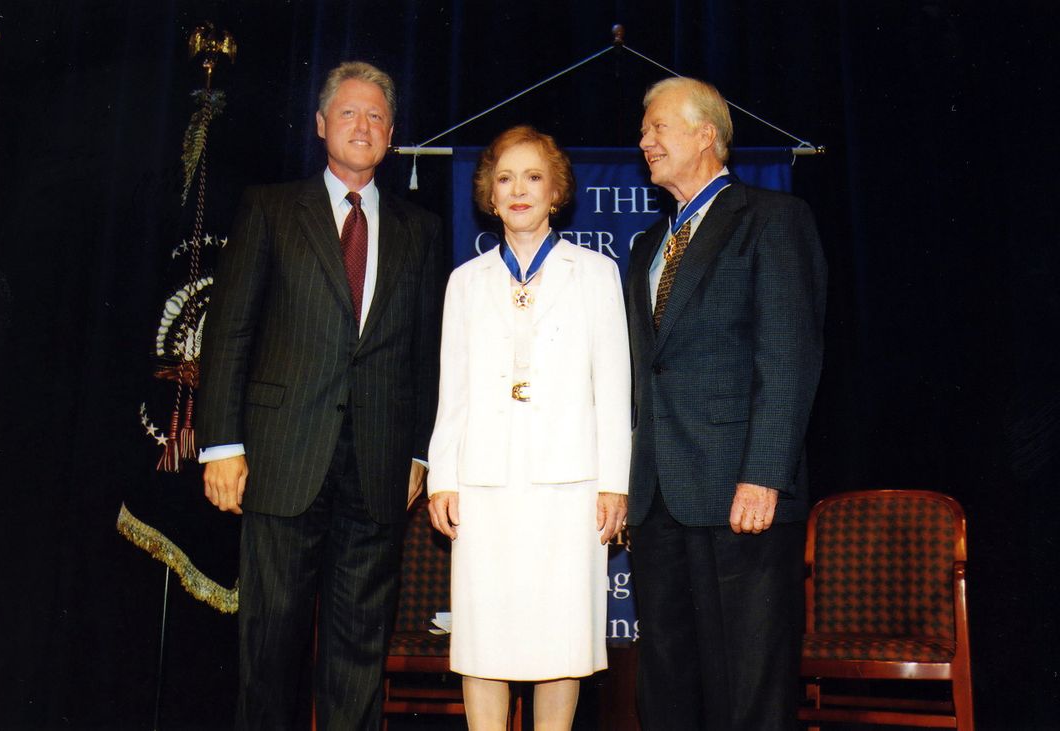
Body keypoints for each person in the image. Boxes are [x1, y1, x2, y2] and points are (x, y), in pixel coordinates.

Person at [196, 61, 443, 730]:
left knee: (359, 651)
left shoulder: (421, 231)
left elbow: (427, 354)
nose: (362, 126)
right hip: (281, 459)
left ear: (391, 135)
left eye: (375, 117)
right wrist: (222, 443)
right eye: (348, 113)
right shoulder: (271, 209)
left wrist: (419, 456)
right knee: (269, 647)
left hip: (379, 468)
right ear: (320, 125)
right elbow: (229, 334)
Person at [626, 77, 827, 730]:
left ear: (705, 133)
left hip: (741, 493)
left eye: (658, 127)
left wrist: (765, 472)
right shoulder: (645, 248)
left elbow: (789, 355)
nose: (644, 141)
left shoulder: (771, 219)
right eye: (644, 130)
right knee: (667, 691)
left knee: (749, 694)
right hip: (659, 501)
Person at [426, 125, 631, 731]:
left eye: (533, 177)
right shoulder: (464, 283)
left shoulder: (595, 275)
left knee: (560, 641)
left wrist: (613, 482)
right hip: (485, 485)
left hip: (569, 488)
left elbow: (614, 389)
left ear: (556, 191)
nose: (519, 190)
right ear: (489, 194)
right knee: (484, 641)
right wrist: (443, 478)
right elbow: (452, 390)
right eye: (506, 178)